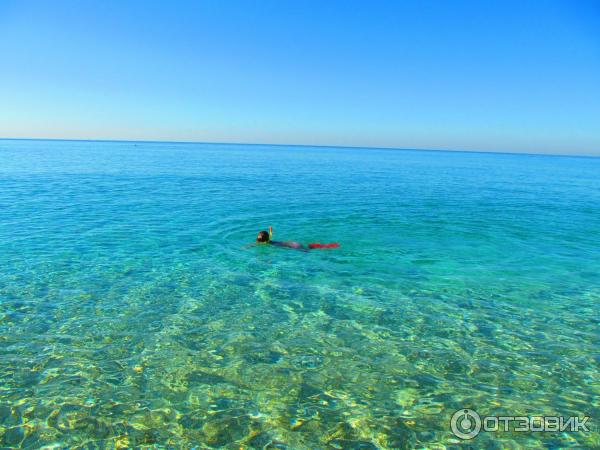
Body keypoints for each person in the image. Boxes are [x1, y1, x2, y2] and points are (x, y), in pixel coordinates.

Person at [252, 227, 339, 251]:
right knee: (308, 248)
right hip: (292, 243)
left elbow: (254, 244)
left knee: (308, 250)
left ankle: (328, 246)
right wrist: (270, 230)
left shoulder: (265, 242)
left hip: (293, 246)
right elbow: (270, 235)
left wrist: (246, 247)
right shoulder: (268, 239)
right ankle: (315, 245)